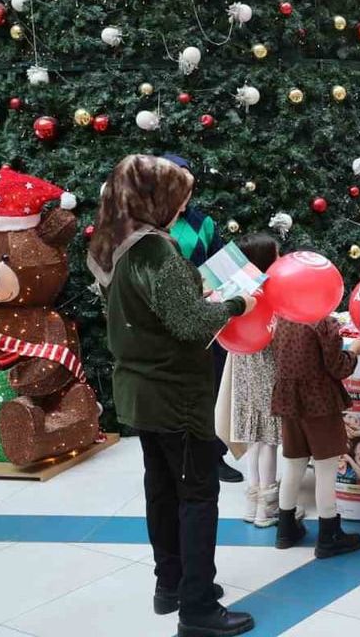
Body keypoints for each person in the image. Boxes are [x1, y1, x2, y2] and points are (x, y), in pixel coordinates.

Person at [87, 154, 255, 636]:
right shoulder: (156, 252)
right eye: (177, 197)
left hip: (139, 391)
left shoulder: (114, 244)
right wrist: (238, 303)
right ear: (153, 198)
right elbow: (190, 324)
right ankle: (198, 608)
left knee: (161, 489)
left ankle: (172, 584)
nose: (182, 207)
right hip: (175, 393)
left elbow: (154, 314)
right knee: (197, 496)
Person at [161, 153, 244, 485]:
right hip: (166, 323)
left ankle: (213, 455)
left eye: (188, 186)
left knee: (211, 385)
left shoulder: (203, 223)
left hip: (207, 318)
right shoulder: (148, 228)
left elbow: (221, 265)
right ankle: (176, 456)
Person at [270, 287, 360, 559]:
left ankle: (285, 529)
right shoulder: (323, 323)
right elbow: (338, 367)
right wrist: (356, 350)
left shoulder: (282, 318)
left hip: (289, 400)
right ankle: (329, 535)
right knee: (326, 468)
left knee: (293, 463)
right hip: (320, 401)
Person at [226, 233, 283, 528]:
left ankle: (252, 503)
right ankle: (267, 508)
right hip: (266, 369)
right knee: (269, 440)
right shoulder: (270, 292)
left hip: (243, 369)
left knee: (253, 439)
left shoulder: (236, 292)